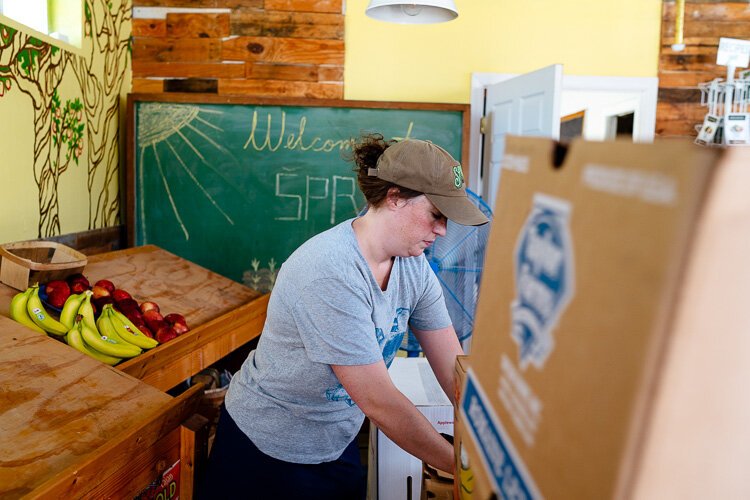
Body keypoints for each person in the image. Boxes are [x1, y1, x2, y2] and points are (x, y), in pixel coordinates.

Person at [197, 133, 489, 499]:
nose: (443, 230)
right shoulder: (329, 270)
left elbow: (453, 367)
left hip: (335, 444)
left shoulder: (414, 266)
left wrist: (493, 440)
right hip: (267, 453)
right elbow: (378, 399)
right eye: (436, 214)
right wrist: (467, 468)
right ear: (395, 197)